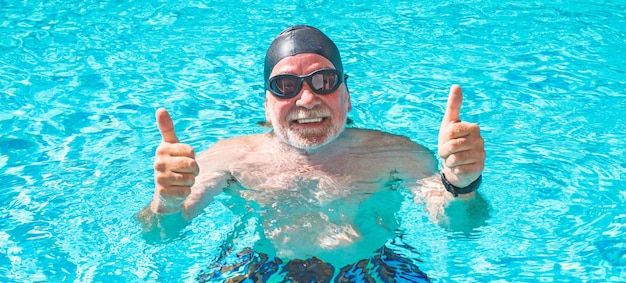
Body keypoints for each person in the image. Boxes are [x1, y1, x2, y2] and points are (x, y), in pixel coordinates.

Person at [136, 24, 485, 260]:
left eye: (324, 81)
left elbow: (460, 226)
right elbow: (160, 235)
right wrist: (165, 203)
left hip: (372, 274)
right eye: (286, 85)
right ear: (267, 103)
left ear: (346, 96)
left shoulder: (395, 154)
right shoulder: (229, 160)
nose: (306, 100)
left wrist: (461, 186)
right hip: (261, 273)